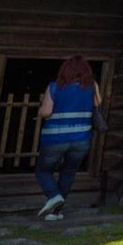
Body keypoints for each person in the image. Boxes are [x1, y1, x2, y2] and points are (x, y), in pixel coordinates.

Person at [35, 56, 99, 220]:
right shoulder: (91, 87)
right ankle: (55, 213)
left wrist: (40, 111)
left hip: (55, 138)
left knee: (43, 171)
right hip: (81, 139)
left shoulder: (54, 87)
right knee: (68, 172)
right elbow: (97, 104)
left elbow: (47, 112)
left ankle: (53, 195)